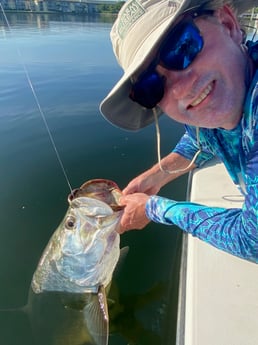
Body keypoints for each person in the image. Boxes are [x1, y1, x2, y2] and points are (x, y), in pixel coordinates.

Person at [100, 0, 258, 263]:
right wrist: (155, 177)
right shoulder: (226, 96)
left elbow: (252, 240)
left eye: (181, 47)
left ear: (229, 24)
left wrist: (154, 209)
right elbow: (201, 140)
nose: (181, 89)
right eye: (152, 87)